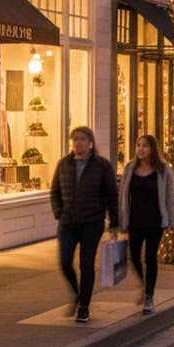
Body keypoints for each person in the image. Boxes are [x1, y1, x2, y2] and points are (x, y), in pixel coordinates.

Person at [50, 126, 118, 324]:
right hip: (67, 223)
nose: (78, 143)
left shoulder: (102, 165)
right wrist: (58, 212)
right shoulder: (64, 164)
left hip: (92, 223)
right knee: (64, 262)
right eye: (75, 139)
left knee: (86, 264)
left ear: (90, 143)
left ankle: (84, 307)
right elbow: (54, 192)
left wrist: (114, 222)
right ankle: (76, 292)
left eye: (82, 139)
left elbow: (111, 196)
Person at [118, 134, 174, 315]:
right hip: (135, 220)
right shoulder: (130, 168)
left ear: (153, 149)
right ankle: (145, 285)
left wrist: (171, 219)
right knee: (133, 256)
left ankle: (149, 297)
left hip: (155, 221)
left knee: (150, 257)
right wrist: (121, 219)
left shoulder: (163, 170)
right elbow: (123, 195)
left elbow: (169, 197)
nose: (140, 149)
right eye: (138, 145)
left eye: (144, 145)